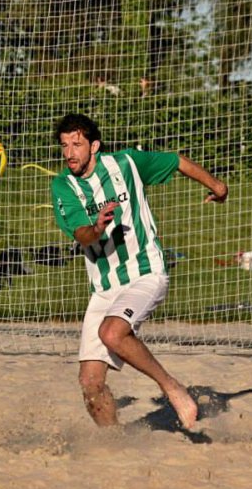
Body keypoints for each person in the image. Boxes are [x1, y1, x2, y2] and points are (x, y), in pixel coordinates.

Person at [50, 114, 228, 429]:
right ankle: (114, 441)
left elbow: (177, 161)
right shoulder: (63, 185)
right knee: (90, 384)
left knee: (112, 333)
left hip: (146, 273)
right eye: (64, 145)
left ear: (94, 146)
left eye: (76, 144)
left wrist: (217, 185)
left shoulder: (127, 163)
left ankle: (171, 386)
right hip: (104, 288)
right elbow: (82, 235)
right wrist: (97, 227)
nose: (69, 153)